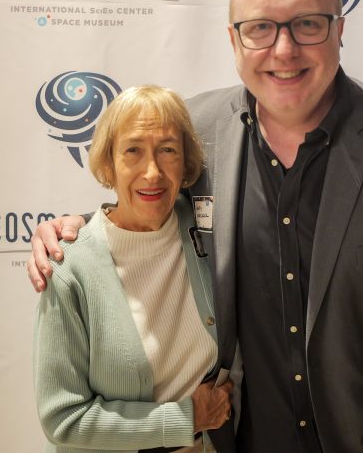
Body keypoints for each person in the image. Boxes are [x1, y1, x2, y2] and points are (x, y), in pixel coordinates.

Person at [29, 0, 363, 453]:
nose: (284, 50)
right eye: (260, 28)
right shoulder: (194, 135)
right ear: (234, 39)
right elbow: (142, 204)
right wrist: (71, 231)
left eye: (307, 24)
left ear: (339, 30)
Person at [33, 85, 233, 453]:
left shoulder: (209, 232)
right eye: (133, 151)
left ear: (186, 162)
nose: (152, 172)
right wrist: (187, 419)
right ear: (108, 163)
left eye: (168, 150)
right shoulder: (68, 266)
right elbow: (63, 418)